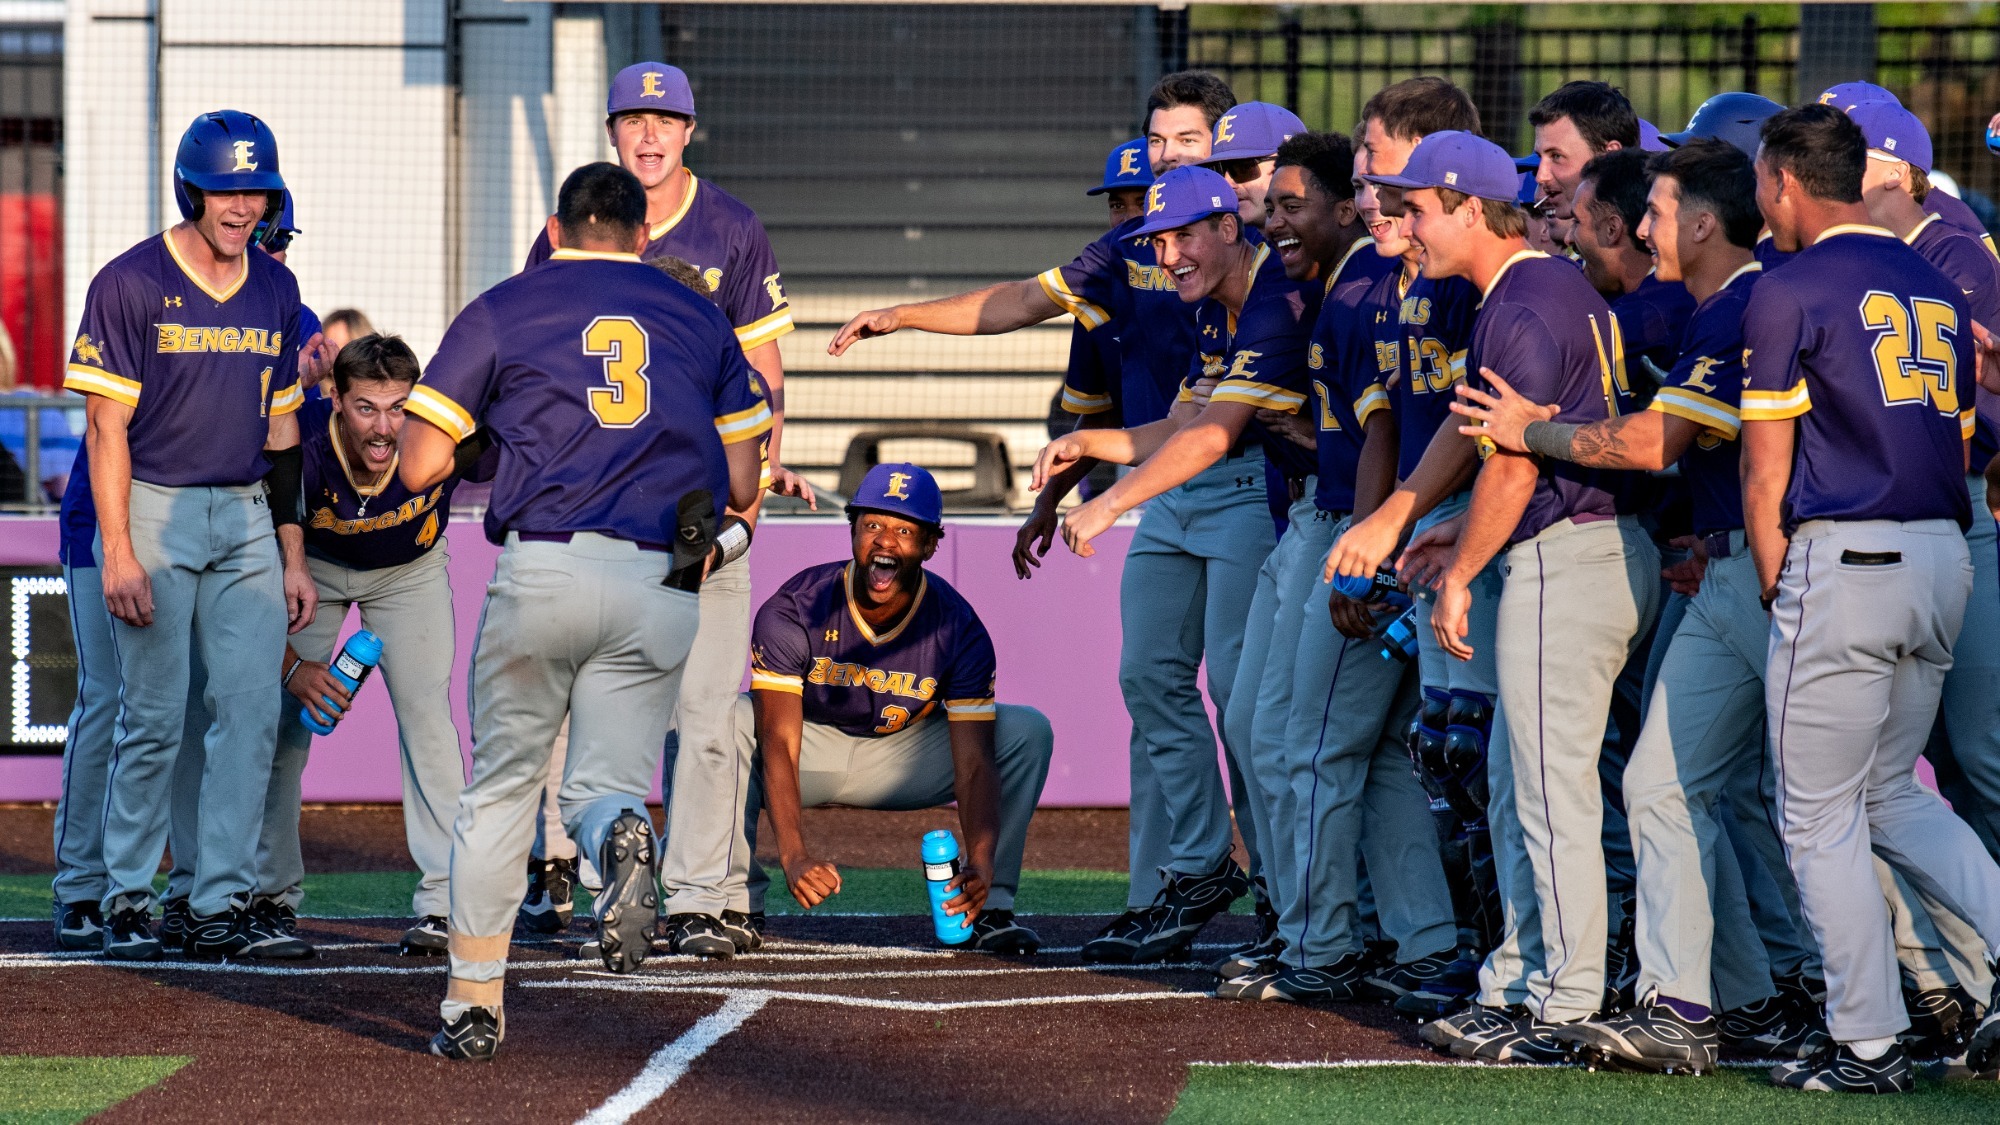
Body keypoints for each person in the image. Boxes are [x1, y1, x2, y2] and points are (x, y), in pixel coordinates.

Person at [831, 72, 1271, 965]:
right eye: (1157, 142)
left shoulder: (1258, 240)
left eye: (1185, 141)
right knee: (1151, 684)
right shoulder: (1126, 250)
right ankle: (1193, 880)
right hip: (1159, 481)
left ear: (1222, 152)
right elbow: (1019, 305)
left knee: (1247, 703)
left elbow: (1221, 421)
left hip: (1252, 481)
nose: (1165, 157)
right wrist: (903, 318)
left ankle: (1286, 898)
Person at [400, 161, 764, 1060]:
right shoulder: (702, 317)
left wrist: (488, 439)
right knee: (600, 786)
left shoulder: (508, 303)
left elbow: (417, 465)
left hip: (546, 568)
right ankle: (620, 836)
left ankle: (473, 1005)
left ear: (555, 230)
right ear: (645, 236)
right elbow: (746, 479)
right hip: (661, 579)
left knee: (501, 792)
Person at [1449, 138, 1786, 1074]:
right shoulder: (1699, 302)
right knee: (1675, 790)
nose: (1642, 226)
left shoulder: (1736, 301)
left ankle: (1939, 986)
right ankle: (1719, 1001)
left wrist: (1531, 428)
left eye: (1659, 208)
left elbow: (1651, 443)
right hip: (1721, 565)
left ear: (1707, 219)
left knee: (1852, 805)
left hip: (1780, 569)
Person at [1363, 130, 1658, 1063]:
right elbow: (1500, 447)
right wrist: (1449, 532)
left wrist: (1456, 571)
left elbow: (1516, 463)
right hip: (1582, 547)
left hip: (1566, 557)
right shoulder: (1537, 290)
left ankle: (1565, 997)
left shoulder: (1519, 302)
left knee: (1547, 790)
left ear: (1467, 205)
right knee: (1522, 782)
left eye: (1416, 207)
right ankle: (1527, 978)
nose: (1403, 225)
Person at [515, 62, 811, 948]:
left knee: (708, 710)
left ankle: (699, 895)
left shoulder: (731, 227)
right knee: (568, 698)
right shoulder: (570, 224)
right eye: (633, 119)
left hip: (697, 504)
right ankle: (558, 869)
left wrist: (749, 499)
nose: (649, 134)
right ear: (612, 131)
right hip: (598, 509)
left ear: (689, 131)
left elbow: (766, 376)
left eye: (665, 119)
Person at [1739, 104, 2000, 1094]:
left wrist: (1776, 584)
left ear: (1785, 183)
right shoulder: (1930, 278)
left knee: (1813, 815)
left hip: (1845, 556)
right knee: (1888, 794)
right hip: (1942, 550)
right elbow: (1959, 434)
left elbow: (1765, 474)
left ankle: (1866, 1042)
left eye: (1763, 182)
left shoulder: (1788, 284)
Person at [64, 109, 329, 960]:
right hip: (154, 505)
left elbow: (284, 434)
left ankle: (216, 902)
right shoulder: (130, 280)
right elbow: (107, 430)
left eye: (255, 188)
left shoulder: (278, 289)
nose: (240, 205)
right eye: (224, 187)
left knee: (250, 714)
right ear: (192, 188)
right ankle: (128, 898)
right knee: (151, 717)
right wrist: (118, 549)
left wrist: (291, 551)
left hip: (247, 513)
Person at [1212, 129, 1459, 1005]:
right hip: (1345, 521)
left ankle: (1319, 943)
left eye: (1293, 203)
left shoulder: (1364, 282)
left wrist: (1367, 550)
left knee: (1304, 747)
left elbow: (1387, 431)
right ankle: (1418, 937)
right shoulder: (1353, 280)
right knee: (1327, 743)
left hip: (1363, 528)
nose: (1273, 219)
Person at [1326, 76, 1495, 1017]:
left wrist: (1409, 524)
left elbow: (1491, 432)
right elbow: (1400, 422)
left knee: (1489, 759)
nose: (1372, 196)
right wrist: (1387, 524)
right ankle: (1479, 950)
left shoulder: (1491, 277)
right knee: (1447, 752)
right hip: (1431, 541)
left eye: (1385, 174)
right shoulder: (1389, 274)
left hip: (1498, 542)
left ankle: (1531, 964)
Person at [742, 463, 1053, 950]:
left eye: (904, 530)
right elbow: (780, 740)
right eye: (872, 525)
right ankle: (731, 904)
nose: (885, 541)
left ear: (930, 545)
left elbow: (973, 764)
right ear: (852, 532)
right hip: (810, 750)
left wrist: (982, 859)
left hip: (903, 758)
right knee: (727, 720)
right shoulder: (797, 607)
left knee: (1025, 731)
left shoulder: (957, 626)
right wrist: (795, 855)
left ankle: (987, 905)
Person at [260, 334, 480, 958]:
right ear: (335, 399)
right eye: (366, 408)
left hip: (410, 570)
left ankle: (444, 902)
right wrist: (292, 667)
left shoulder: (449, 434)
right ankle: (270, 896)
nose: (385, 428)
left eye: (399, 408)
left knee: (429, 726)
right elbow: (241, 598)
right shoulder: (294, 442)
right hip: (314, 570)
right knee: (280, 731)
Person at [1016, 136, 1150, 569]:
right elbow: (1102, 413)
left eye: (1142, 201)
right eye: (1117, 205)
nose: (1128, 219)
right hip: (1151, 485)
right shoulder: (1102, 285)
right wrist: (1048, 500)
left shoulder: (1210, 278)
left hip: (1236, 479)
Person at [1530, 81, 1640, 221]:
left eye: (1556, 156)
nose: (1541, 176)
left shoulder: (1649, 238)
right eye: (1540, 158)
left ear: (1610, 155)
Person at [1202, 101, 1306, 231]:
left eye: (1243, 168)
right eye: (1219, 170)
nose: (1227, 183)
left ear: (1288, 166)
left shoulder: (1329, 244)